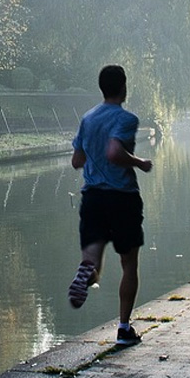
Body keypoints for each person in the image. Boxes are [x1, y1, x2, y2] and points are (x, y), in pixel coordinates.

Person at [68, 64, 153, 346]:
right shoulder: (126, 119)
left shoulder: (88, 118)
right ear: (123, 87)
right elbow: (115, 151)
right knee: (129, 264)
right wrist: (139, 163)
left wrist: (94, 157)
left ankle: (86, 272)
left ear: (102, 87)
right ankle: (124, 328)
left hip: (92, 197)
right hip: (122, 198)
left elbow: (76, 160)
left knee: (91, 262)